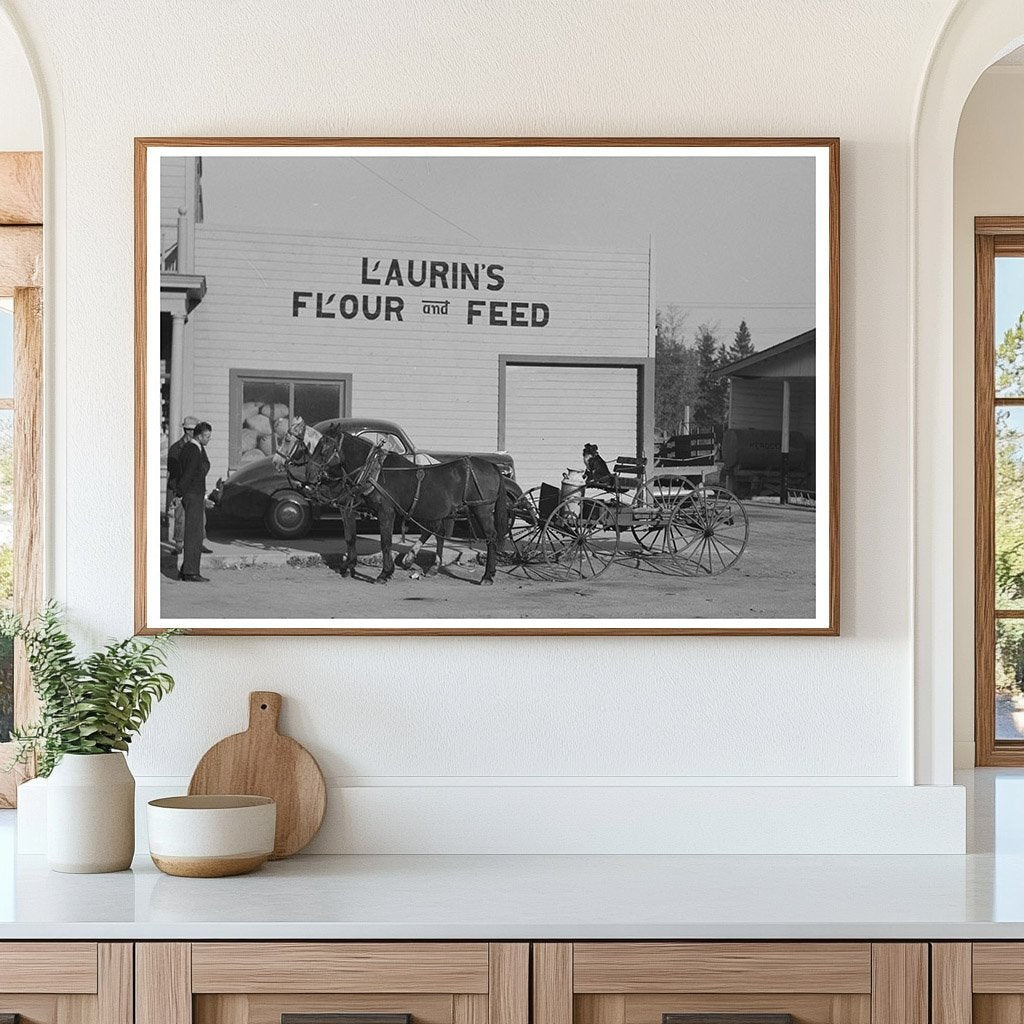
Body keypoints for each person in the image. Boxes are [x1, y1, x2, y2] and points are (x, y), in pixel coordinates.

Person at [176, 421, 213, 582]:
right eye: (206, 436)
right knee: (194, 534)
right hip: (192, 494)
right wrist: (179, 493)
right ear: (198, 435)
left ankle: (186, 569)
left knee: (194, 532)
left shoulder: (195, 448)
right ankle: (191, 572)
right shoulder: (192, 450)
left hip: (193, 494)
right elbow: (189, 473)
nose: (208, 439)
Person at [165, 416, 198, 553]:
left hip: (193, 487)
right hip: (179, 486)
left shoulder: (197, 447)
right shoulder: (176, 449)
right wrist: (178, 489)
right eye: (193, 431)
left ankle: (198, 542)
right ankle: (179, 545)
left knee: (198, 517)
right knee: (180, 517)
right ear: (188, 431)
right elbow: (173, 469)